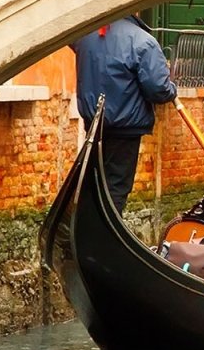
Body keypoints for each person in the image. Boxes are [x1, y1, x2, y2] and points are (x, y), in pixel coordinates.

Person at [71, 15, 177, 208]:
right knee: (115, 189)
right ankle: (102, 236)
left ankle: (89, 233)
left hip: (94, 127)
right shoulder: (143, 42)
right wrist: (172, 88)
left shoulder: (84, 37)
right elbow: (158, 90)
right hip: (125, 129)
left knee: (93, 187)